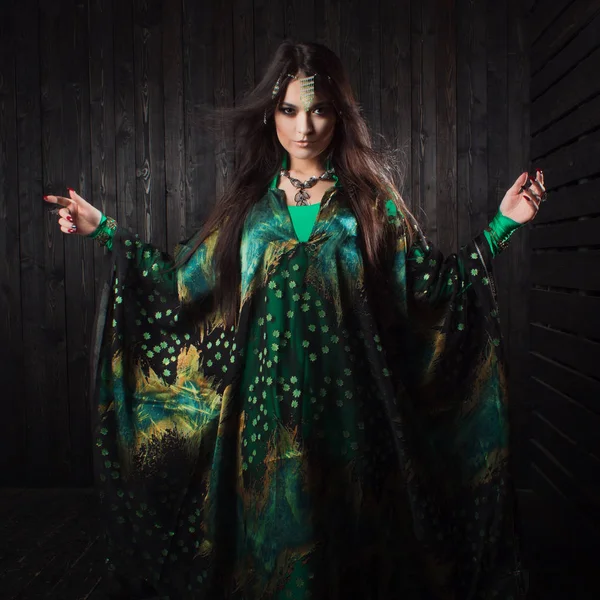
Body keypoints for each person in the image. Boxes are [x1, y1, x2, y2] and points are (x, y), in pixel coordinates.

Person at [44, 41, 546, 600]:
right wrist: (105, 229)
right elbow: (179, 284)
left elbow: (436, 290)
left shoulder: (371, 207)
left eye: (319, 109)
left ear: (339, 114)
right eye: (289, 110)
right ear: (271, 114)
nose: (303, 127)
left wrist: (504, 225)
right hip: (263, 429)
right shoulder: (248, 210)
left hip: (355, 425)